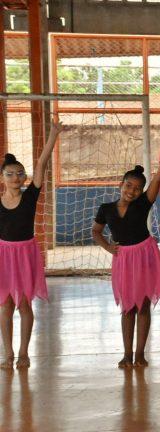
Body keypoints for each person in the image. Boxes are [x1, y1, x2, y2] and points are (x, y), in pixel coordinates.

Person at [92, 135, 160, 368]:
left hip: (144, 255)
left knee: (142, 305)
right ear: (120, 185)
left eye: (137, 188)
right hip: (123, 258)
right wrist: (109, 248)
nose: (131, 191)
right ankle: (126, 354)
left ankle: (140, 353)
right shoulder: (106, 209)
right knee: (127, 307)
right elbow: (96, 231)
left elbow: (159, 177)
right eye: (128, 186)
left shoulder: (143, 203)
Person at [0, 121, 62, 370]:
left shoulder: (30, 196)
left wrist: (53, 135)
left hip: (26, 253)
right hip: (3, 254)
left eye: (19, 173)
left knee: (24, 304)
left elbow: (41, 164)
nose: (16, 178)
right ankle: (8, 353)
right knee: (5, 304)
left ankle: (24, 352)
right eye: (10, 174)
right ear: (2, 177)